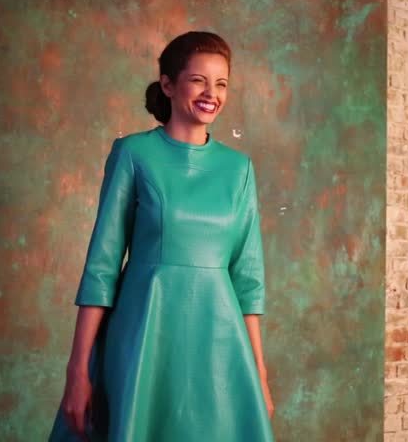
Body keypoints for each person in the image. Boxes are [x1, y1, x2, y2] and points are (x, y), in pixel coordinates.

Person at [48, 31, 275, 441]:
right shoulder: (133, 154)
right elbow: (101, 268)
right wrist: (77, 370)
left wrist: (258, 370)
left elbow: (247, 278)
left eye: (221, 83)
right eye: (198, 80)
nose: (211, 94)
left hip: (219, 345)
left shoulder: (239, 169)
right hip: (144, 335)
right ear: (168, 85)